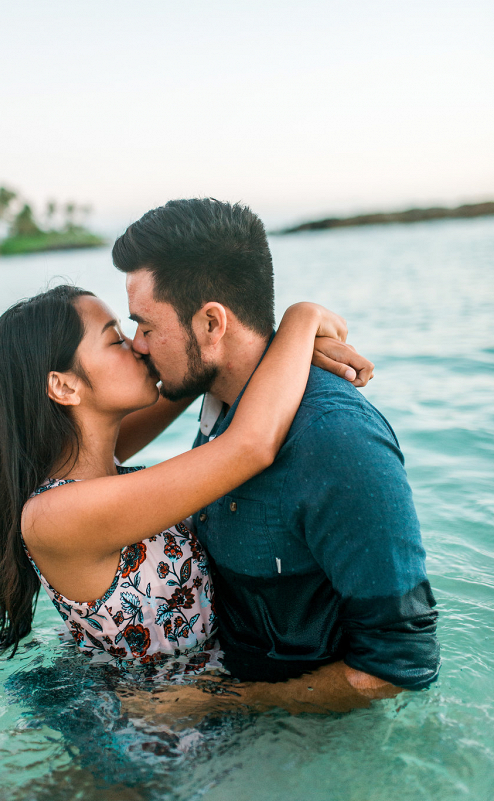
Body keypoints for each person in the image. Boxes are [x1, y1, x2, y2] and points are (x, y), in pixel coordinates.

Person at [111, 198, 440, 704]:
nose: (137, 345)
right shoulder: (214, 398)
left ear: (211, 325)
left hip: (292, 737)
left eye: (147, 327)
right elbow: (104, 441)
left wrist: (210, 702)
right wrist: (299, 322)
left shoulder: (334, 440)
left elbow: (398, 667)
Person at [0, 283, 356, 683]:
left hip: (201, 700)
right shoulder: (57, 515)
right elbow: (251, 445)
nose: (139, 347)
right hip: (159, 733)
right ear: (65, 386)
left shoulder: (97, 461)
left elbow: (199, 371)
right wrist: (302, 318)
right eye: (115, 340)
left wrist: (273, 346)